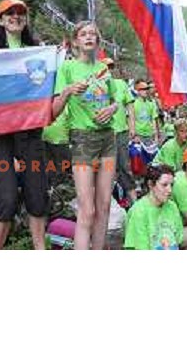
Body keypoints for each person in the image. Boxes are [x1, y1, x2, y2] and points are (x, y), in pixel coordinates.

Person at [0, 0, 49, 251]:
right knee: (6, 197)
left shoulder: (38, 51)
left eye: (20, 12)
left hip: (30, 130)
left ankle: (39, 248)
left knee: (37, 193)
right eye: (9, 13)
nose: (15, 16)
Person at [52, 21, 119, 250]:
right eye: (83, 34)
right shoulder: (67, 68)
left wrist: (113, 108)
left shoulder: (104, 69)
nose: (88, 37)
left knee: (105, 205)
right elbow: (54, 110)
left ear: (98, 42)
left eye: (92, 34)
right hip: (82, 141)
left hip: (108, 140)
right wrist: (69, 91)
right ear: (76, 42)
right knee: (87, 209)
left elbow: (114, 101)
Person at [124, 164, 184, 250]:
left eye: (172, 185)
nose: (170, 190)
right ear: (150, 184)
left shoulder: (172, 206)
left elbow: (178, 239)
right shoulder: (138, 211)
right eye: (164, 185)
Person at [103, 57, 136, 202]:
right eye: (106, 67)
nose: (109, 70)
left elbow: (130, 106)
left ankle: (133, 200)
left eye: (111, 67)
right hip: (104, 135)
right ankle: (109, 202)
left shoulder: (121, 84)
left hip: (121, 133)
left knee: (124, 166)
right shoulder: (96, 86)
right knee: (107, 168)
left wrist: (132, 127)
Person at [131, 79, 160, 148]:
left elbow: (153, 120)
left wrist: (156, 137)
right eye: (143, 89)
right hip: (138, 136)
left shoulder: (152, 103)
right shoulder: (133, 104)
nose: (146, 91)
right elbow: (131, 120)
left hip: (149, 136)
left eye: (147, 88)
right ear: (137, 90)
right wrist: (134, 135)